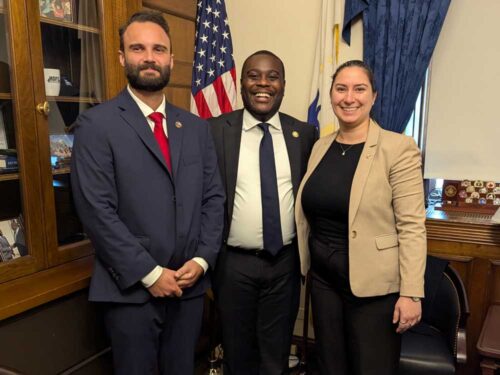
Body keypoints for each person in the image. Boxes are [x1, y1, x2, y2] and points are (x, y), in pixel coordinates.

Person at [71, 11, 224, 375]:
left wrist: (202, 260)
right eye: (138, 49)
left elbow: (213, 198)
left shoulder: (196, 128)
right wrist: (150, 273)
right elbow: (96, 211)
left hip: (188, 288)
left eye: (159, 49)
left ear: (171, 58)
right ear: (122, 57)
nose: (150, 57)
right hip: (130, 292)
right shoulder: (97, 124)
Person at [295, 60, 426, 375]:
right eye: (341, 88)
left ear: (374, 96)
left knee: (371, 367)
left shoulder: (399, 148)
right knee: (330, 365)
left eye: (359, 89)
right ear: (331, 95)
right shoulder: (320, 146)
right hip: (324, 283)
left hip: (374, 288)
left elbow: (412, 227)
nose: (349, 97)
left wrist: (411, 293)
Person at [209, 50, 317, 374]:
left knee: (276, 357)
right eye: (254, 75)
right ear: (242, 83)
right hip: (233, 266)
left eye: (272, 76)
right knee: (238, 355)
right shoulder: (215, 131)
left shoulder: (304, 134)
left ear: (283, 84)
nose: (263, 83)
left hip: (284, 265)